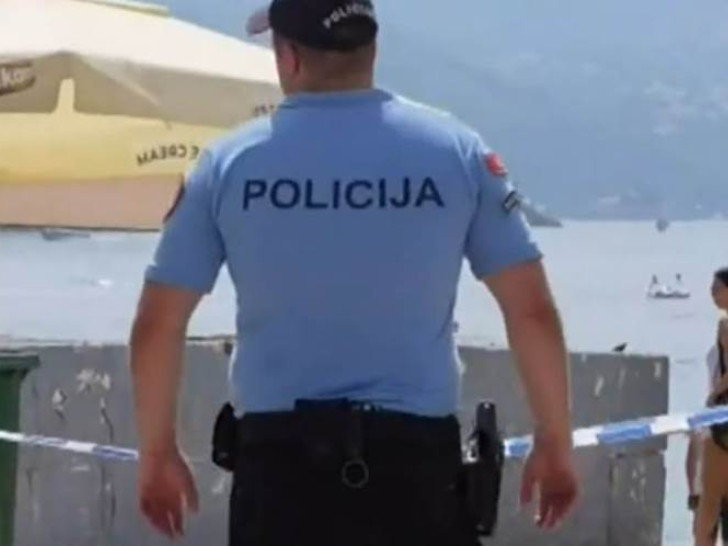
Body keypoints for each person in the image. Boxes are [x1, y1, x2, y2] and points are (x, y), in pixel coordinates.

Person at [129, 0, 578, 544]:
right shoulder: (456, 152)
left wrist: (157, 453)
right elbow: (530, 310)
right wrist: (555, 440)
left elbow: (158, 322)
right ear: (373, 49)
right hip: (416, 470)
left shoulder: (227, 164)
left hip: (279, 472)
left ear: (289, 56)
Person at [692, 267, 728, 546]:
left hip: (721, 423)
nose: (712, 293)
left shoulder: (725, 326)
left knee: (710, 499)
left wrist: (713, 398)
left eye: (717, 288)